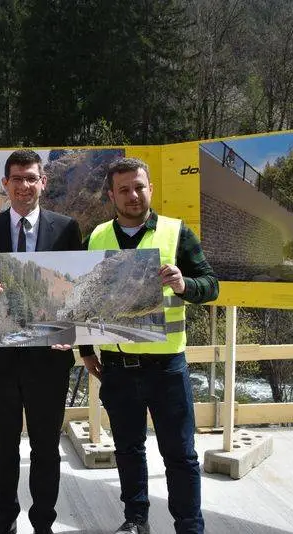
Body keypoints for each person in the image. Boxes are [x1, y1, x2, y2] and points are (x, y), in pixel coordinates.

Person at [80, 157, 219, 534]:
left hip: (167, 368)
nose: (133, 195)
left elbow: (211, 285)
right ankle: (135, 520)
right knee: (127, 449)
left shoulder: (177, 233)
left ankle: (189, 526)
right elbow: (84, 299)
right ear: (111, 194)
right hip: (118, 368)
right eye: (123, 189)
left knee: (180, 456)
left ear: (150, 189)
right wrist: (86, 350)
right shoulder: (95, 237)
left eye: (139, 187)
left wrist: (183, 285)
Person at [0, 149, 83, 534]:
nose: (24, 185)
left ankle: (43, 522)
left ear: (43, 182)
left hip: (49, 358)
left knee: (46, 448)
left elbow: (77, 293)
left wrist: (75, 336)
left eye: (31, 178)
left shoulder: (67, 228)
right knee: (3, 447)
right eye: (16, 178)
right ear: (6, 184)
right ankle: (5, 518)